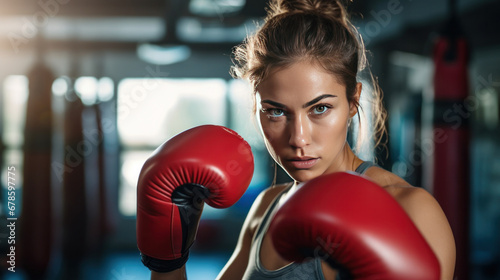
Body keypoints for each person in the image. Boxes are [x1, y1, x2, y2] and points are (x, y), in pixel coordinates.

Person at [142, 0, 456, 279]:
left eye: (320, 108)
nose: (298, 139)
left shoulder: (411, 210)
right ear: (257, 108)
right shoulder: (266, 207)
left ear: (354, 101)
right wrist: (167, 261)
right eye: (276, 112)